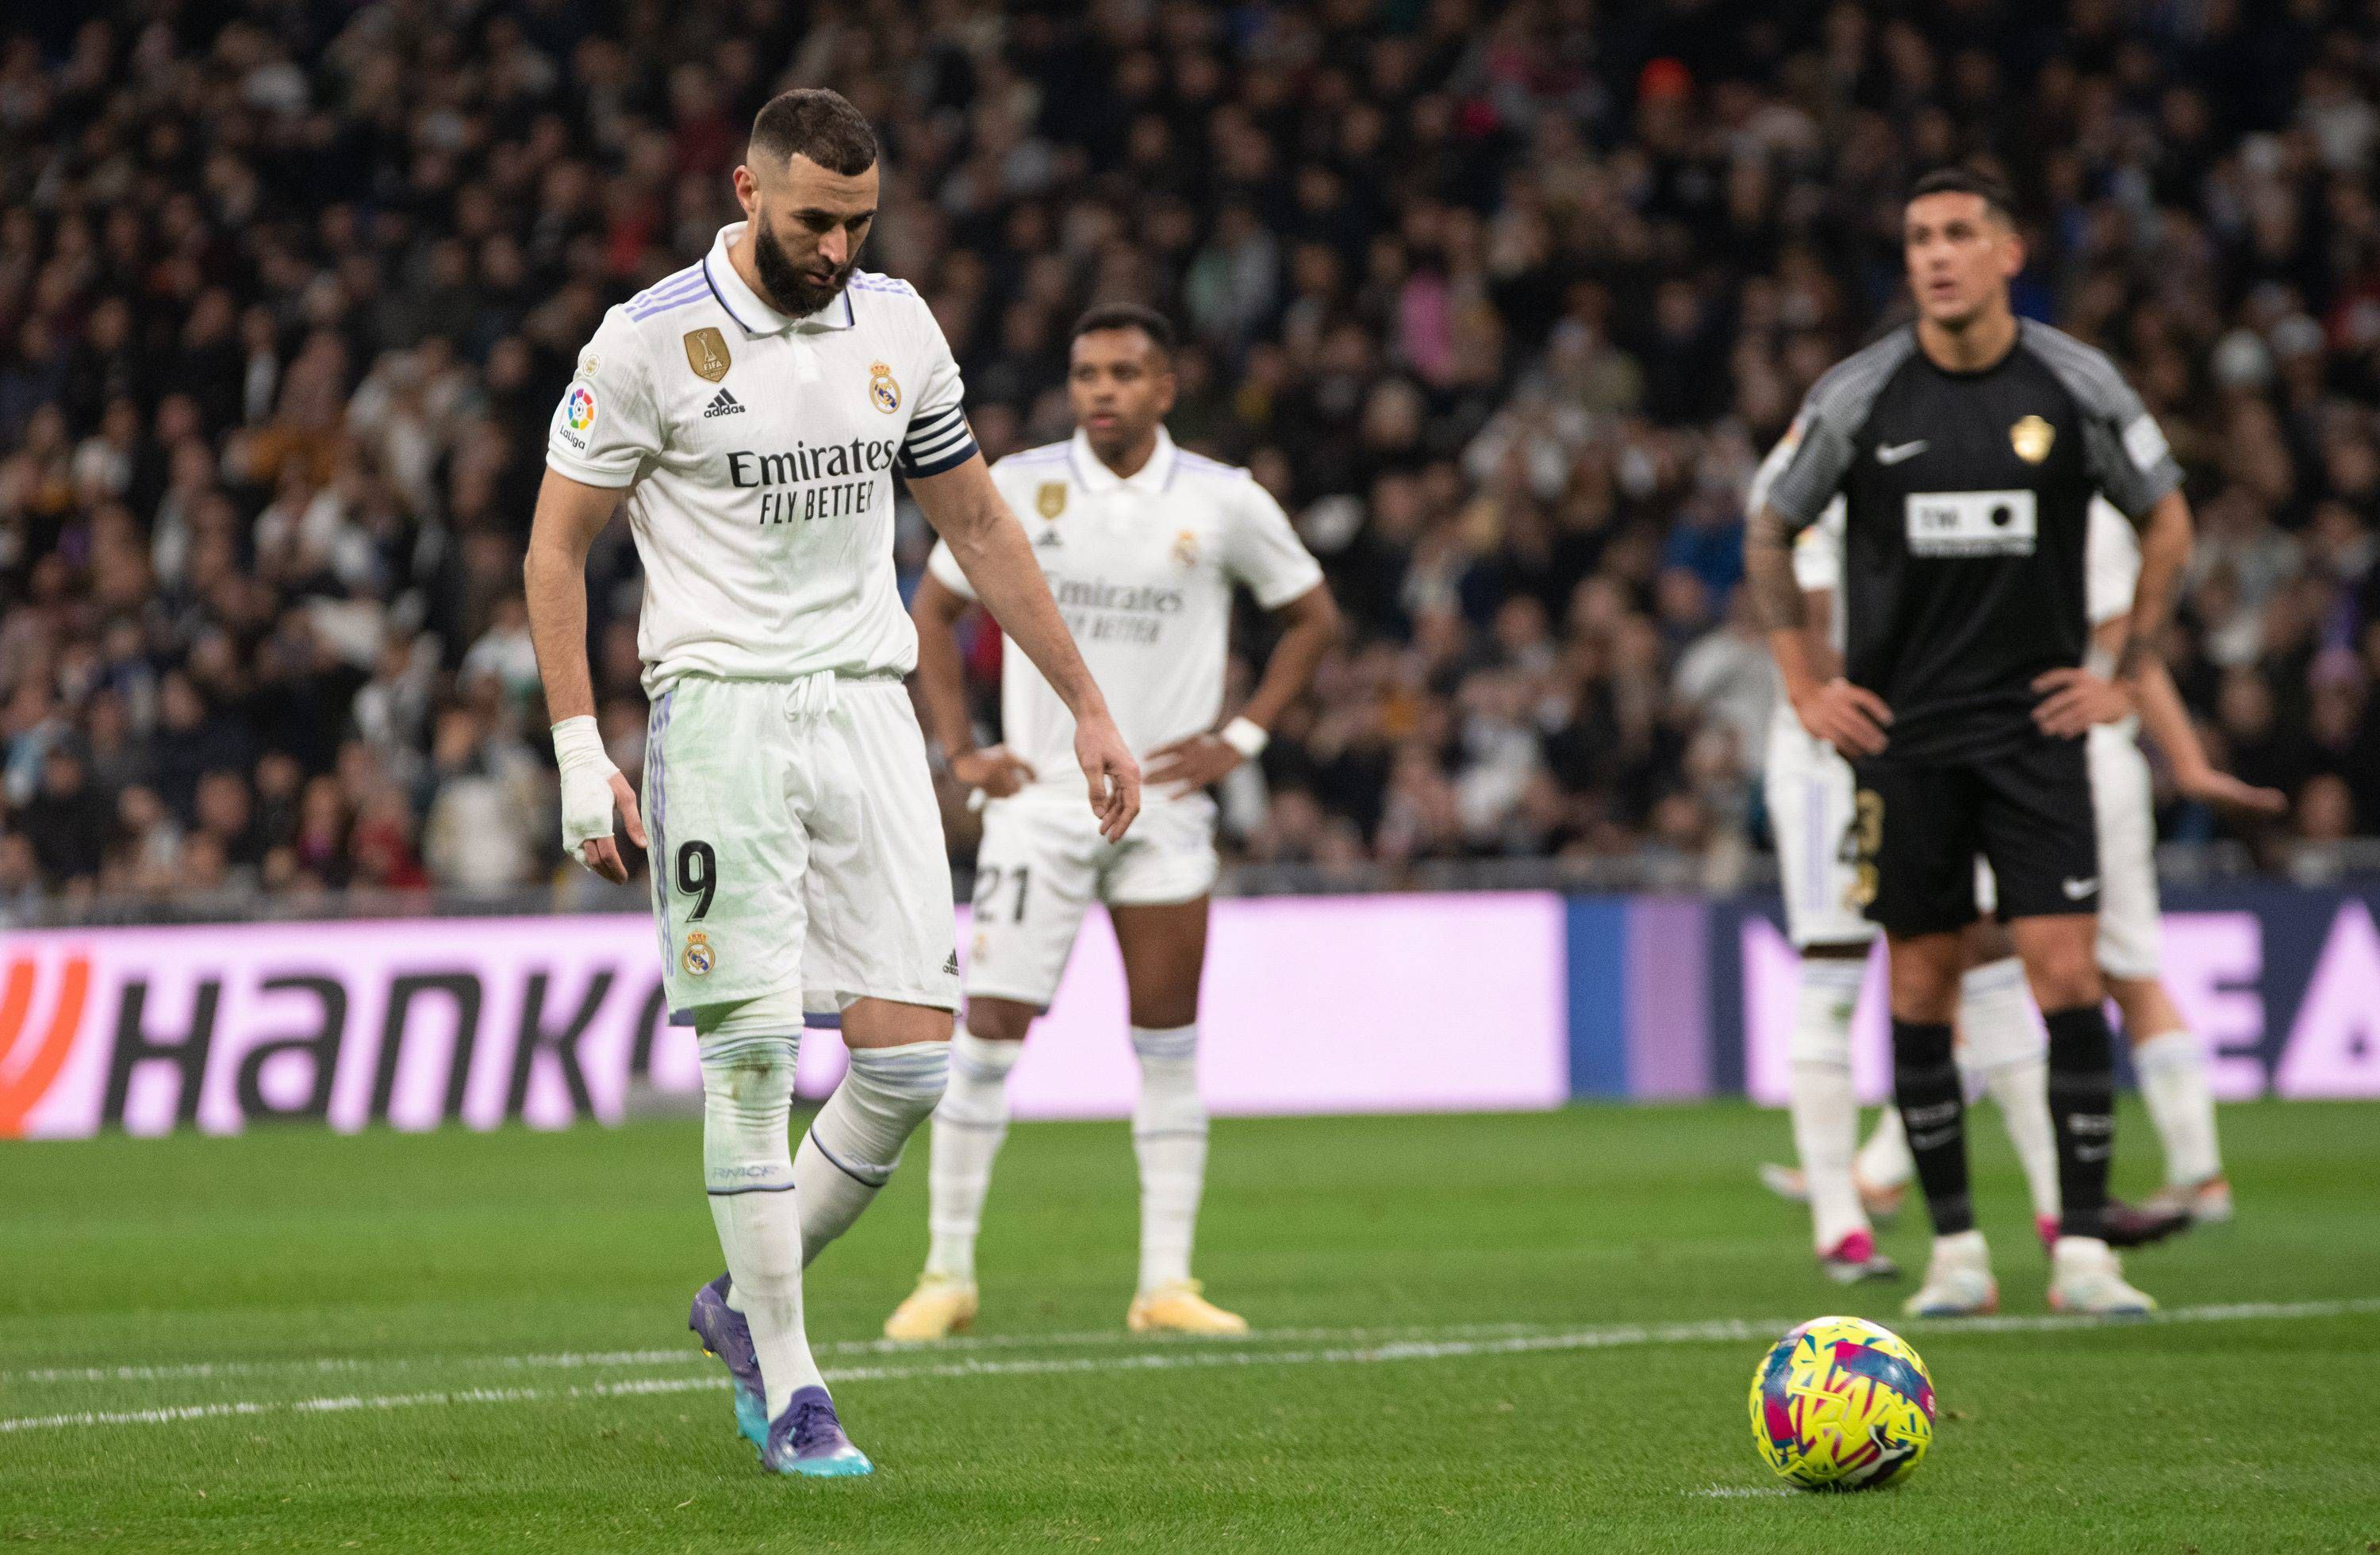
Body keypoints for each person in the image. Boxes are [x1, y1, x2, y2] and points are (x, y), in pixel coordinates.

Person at [524, 90, 1141, 1477]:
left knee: (911, 1062)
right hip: (721, 718)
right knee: (751, 1059)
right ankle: (798, 1383)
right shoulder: (646, 342)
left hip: (868, 710)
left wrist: (1088, 705)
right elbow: (555, 548)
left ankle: (741, 1302)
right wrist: (577, 748)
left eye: (860, 223)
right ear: (747, 191)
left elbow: (976, 522)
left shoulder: (898, 326)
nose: (839, 249)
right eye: (815, 220)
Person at [1744, 167, 2194, 1318]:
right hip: (1905, 739)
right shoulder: (1861, 394)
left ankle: (2083, 1254)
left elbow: (2166, 514)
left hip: (2035, 731)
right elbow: (1770, 525)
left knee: (2067, 973)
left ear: (2007, 252)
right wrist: (1805, 685)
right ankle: (1956, 1254)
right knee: (1922, 981)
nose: (1936, 256)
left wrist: (2127, 674)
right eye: (1918, 238)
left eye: (1957, 234)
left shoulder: (2075, 384)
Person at [884, 304, 1338, 1341]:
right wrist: (961, 751)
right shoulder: (1019, 484)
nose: (1102, 390)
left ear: (1165, 389)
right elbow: (934, 612)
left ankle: (1165, 1285)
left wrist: (1244, 735)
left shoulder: (1224, 499)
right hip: (1041, 806)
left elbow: (1313, 617)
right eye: (1087, 372)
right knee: (987, 1038)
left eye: (1126, 373)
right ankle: (946, 1274)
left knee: (1168, 1044)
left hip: (1166, 807)